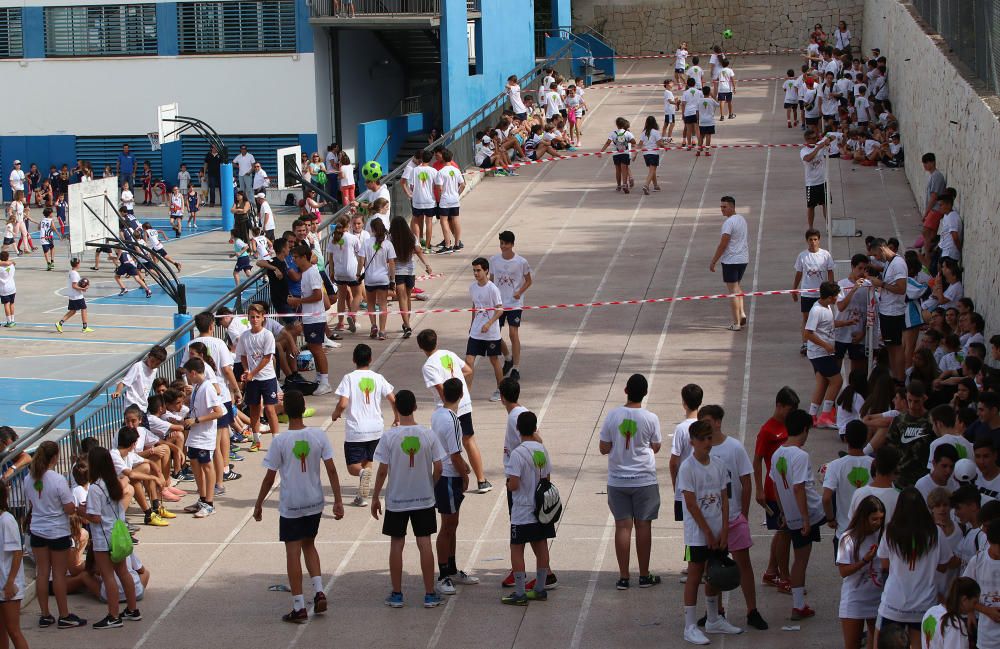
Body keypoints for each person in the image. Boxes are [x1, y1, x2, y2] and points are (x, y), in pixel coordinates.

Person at [253, 390, 344, 623]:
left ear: (285, 411)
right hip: (314, 501)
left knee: (292, 553)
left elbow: (269, 478)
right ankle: (319, 590)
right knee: (310, 545)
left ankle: (299, 605)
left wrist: (259, 504)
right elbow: (332, 469)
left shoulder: (280, 441)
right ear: (304, 409)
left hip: (292, 504)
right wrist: (338, 500)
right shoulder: (318, 436)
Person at [370, 390, 446, 609]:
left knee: (397, 543)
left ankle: (396, 594)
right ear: (415, 407)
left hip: (397, 499)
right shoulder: (428, 435)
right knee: (425, 543)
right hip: (423, 498)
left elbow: (383, 470)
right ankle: (430, 594)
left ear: (396, 409)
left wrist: (375, 497)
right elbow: (439, 467)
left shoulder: (389, 436)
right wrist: (430, 484)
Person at [701, 405, 767, 630]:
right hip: (712, 520)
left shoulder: (734, 448)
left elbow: (746, 481)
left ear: (718, 422)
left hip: (734, 516)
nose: (706, 425)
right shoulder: (702, 451)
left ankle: (752, 611)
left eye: (709, 420)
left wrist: (744, 514)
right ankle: (715, 612)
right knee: (713, 568)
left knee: (743, 564)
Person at [676, 419, 741, 643]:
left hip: (717, 531)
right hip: (697, 535)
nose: (707, 442)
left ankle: (714, 619)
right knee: (695, 575)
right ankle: (690, 626)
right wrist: (708, 533)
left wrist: (724, 530)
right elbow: (692, 504)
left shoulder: (719, 465)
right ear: (692, 441)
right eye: (702, 438)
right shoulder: (687, 467)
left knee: (715, 574)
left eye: (709, 438)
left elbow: (724, 498)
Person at [598, 374, 662, 590]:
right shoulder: (651, 418)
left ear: (626, 390)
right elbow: (656, 445)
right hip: (644, 479)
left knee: (622, 527)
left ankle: (624, 577)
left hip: (618, 481)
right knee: (644, 526)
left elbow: (603, 448)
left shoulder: (612, 415)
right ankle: (644, 575)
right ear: (644, 393)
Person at [876, 488, 953, 649]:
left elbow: (884, 564)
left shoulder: (890, 530)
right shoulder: (935, 532)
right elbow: (944, 565)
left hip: (894, 603)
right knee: (920, 645)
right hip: (924, 603)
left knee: (884, 645)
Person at [418, 328, 489, 493]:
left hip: (449, 408)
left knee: (443, 445)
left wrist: (448, 405)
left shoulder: (428, 366)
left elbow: (441, 389)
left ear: (421, 347)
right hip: (463, 401)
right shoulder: (447, 353)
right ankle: (482, 480)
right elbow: (468, 370)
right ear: (437, 342)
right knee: (469, 439)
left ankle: (442, 478)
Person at [770, 409, 825, 620]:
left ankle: (798, 603)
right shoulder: (801, 455)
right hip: (807, 513)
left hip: (790, 513)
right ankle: (798, 605)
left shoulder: (777, 454)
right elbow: (799, 487)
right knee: (801, 559)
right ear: (804, 429)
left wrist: (783, 512)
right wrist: (804, 518)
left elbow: (776, 487)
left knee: (799, 558)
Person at [26, 441, 87, 629]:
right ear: (54, 457)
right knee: (59, 574)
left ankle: (45, 615)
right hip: (57, 531)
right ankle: (64, 615)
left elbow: (32, 501)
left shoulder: (29, 478)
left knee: (42, 572)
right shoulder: (58, 479)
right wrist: (76, 508)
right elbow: (69, 508)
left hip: (37, 529)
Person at [332, 344, 397, 507]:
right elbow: (393, 399)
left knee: (353, 466)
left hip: (356, 430)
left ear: (354, 359)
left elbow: (343, 403)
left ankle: (361, 475)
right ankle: (362, 497)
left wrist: (335, 413)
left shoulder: (349, 378)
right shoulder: (378, 378)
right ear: (370, 359)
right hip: (376, 429)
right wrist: (397, 417)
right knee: (368, 460)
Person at [502, 411, 556, 606]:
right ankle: (540, 588)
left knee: (517, 548)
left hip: (522, 509)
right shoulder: (542, 450)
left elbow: (514, 484)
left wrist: (508, 484)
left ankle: (519, 592)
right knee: (541, 545)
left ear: (518, 429)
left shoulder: (517, 454)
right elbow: (547, 479)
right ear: (535, 428)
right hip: (540, 509)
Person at [430, 378, 478, 595]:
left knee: (453, 524)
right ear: (460, 395)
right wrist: (466, 473)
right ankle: (442, 575)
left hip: (447, 476)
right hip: (449, 478)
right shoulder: (452, 420)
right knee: (447, 526)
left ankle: (451, 568)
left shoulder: (438, 414)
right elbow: (455, 454)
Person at [83, 446, 140, 628]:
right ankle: (132, 609)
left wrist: (80, 511)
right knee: (123, 572)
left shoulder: (95, 488)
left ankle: (113, 615)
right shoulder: (114, 482)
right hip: (118, 534)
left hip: (103, 537)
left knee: (108, 576)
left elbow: (95, 517)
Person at [805, 281, 858, 427]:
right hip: (820, 353)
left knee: (822, 384)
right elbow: (808, 333)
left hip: (821, 353)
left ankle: (812, 416)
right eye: (836, 296)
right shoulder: (816, 310)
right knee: (837, 381)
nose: (837, 298)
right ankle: (825, 416)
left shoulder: (827, 307)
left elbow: (829, 324)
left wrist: (847, 323)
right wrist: (826, 345)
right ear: (829, 297)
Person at [836, 494, 886, 649]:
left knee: (879, 643)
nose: (878, 523)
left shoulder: (883, 536)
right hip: (855, 599)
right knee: (852, 644)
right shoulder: (848, 538)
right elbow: (843, 571)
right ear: (864, 518)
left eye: (881, 519)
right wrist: (864, 560)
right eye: (874, 519)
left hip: (878, 598)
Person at [870, 380, 934, 488]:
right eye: (910, 400)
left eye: (916, 401)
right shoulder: (899, 420)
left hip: (923, 479)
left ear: (924, 398)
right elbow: (890, 447)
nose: (913, 405)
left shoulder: (932, 421)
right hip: (901, 478)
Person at [287, 244, 331, 395]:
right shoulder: (306, 273)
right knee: (313, 348)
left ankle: (325, 382)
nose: (294, 260)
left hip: (315, 317)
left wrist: (298, 301)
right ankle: (320, 378)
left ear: (304, 257)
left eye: (296, 257)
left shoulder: (311, 273)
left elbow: (318, 295)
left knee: (317, 349)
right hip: (309, 317)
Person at [238, 304, 281, 451]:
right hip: (252, 379)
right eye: (252, 317)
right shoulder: (245, 336)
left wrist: (252, 372)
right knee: (254, 409)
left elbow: (267, 358)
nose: (255, 319)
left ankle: (276, 442)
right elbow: (243, 355)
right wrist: (246, 370)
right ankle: (256, 440)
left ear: (263, 318)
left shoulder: (267, 335)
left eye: (257, 317)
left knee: (269, 409)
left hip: (267, 378)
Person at [489, 230, 532, 382]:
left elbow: (528, 280)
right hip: (499, 304)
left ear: (512, 244)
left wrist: (519, 292)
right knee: (495, 334)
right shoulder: (494, 260)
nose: (503, 246)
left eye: (506, 243)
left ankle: (516, 367)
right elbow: (491, 281)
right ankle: (507, 358)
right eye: (501, 243)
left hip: (514, 303)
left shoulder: (521, 262)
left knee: (513, 334)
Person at [823, 420, 875, 541]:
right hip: (870, 533)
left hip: (844, 533)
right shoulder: (874, 464)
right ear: (866, 438)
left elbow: (826, 498)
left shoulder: (835, 465)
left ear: (845, 439)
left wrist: (830, 519)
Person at [870, 238, 909, 382]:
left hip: (893, 312)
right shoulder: (890, 263)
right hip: (887, 311)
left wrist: (881, 284)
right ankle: (895, 377)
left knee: (895, 347)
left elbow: (901, 288)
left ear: (881, 249)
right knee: (890, 347)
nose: (877, 258)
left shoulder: (898, 264)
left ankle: (899, 379)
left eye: (876, 255)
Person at [466, 257, 505, 402]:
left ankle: (500, 390)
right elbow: (474, 307)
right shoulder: (472, 287)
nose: (476, 273)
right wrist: (472, 325)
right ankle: (467, 393)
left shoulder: (492, 289)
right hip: (476, 331)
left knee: (494, 360)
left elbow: (500, 310)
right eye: (474, 271)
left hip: (491, 333)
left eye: (478, 270)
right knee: (469, 360)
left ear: (486, 271)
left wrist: (489, 324)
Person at [709, 196, 749, 331]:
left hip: (731, 261)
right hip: (743, 260)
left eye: (724, 207)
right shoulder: (742, 219)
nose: (722, 209)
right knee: (737, 287)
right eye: (721, 207)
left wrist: (714, 261)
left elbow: (723, 244)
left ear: (732, 207)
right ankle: (742, 313)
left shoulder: (729, 223)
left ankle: (736, 323)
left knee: (732, 292)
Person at [793, 229, 836, 354]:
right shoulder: (802, 256)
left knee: (824, 318)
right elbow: (799, 273)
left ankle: (824, 341)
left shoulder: (826, 255)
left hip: (821, 294)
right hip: (807, 293)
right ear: (807, 241)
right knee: (806, 319)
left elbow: (830, 271)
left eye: (815, 239)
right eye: (810, 240)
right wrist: (794, 289)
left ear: (819, 240)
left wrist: (831, 288)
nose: (813, 242)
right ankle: (805, 343)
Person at [388, 216, 431, 339]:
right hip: (410, 271)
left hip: (398, 271)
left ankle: (406, 324)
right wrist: (427, 265)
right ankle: (407, 323)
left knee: (402, 297)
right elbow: (419, 251)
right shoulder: (412, 237)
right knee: (407, 297)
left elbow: (389, 257)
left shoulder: (390, 239)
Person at [0, 481, 28, 648]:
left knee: (13, 630)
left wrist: (10, 582)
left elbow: (17, 553)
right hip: (2, 583)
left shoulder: (7, 521)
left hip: (8, 585)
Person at [358, 217, 395, 340]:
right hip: (383, 278)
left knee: (371, 303)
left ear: (372, 229)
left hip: (370, 278)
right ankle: (382, 331)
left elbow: (361, 260)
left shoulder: (367, 242)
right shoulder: (387, 244)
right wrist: (392, 279)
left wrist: (358, 273)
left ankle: (373, 325)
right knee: (383, 304)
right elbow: (391, 263)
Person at [921, 577, 980, 649]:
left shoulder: (930, 612)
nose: (974, 607)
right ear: (964, 599)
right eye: (974, 602)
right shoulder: (955, 624)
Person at [111, 344, 166, 415]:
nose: (153, 365)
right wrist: (118, 392)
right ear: (148, 356)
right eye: (152, 361)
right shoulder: (138, 367)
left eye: (157, 364)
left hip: (143, 407)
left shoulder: (154, 370)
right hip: (132, 406)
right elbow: (123, 382)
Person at [800, 130, 833, 229]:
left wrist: (828, 139)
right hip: (811, 183)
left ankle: (828, 225)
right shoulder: (803, 150)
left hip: (823, 181)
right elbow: (808, 159)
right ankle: (811, 227)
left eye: (816, 138)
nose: (816, 139)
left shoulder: (819, 144)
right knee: (811, 206)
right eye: (813, 138)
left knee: (826, 204)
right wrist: (818, 147)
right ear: (807, 140)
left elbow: (832, 136)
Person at [56, 257, 93, 333]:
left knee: (73, 311)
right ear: (77, 264)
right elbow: (74, 285)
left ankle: (59, 323)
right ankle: (85, 327)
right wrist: (83, 289)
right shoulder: (75, 274)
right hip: (77, 295)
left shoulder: (71, 272)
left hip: (72, 295)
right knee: (84, 308)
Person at [600, 117, 635, 192]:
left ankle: (619, 185)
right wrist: (627, 141)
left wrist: (601, 152)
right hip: (625, 153)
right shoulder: (628, 133)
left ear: (617, 125)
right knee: (624, 169)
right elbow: (634, 142)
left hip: (616, 154)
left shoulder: (613, 133)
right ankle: (625, 184)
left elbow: (607, 143)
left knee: (618, 170)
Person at [0, 252, 15, 327]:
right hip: (12, 287)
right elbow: (11, 263)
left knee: (6, 304)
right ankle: (13, 320)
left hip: (4, 288)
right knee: (12, 303)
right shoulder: (12, 265)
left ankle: (9, 321)